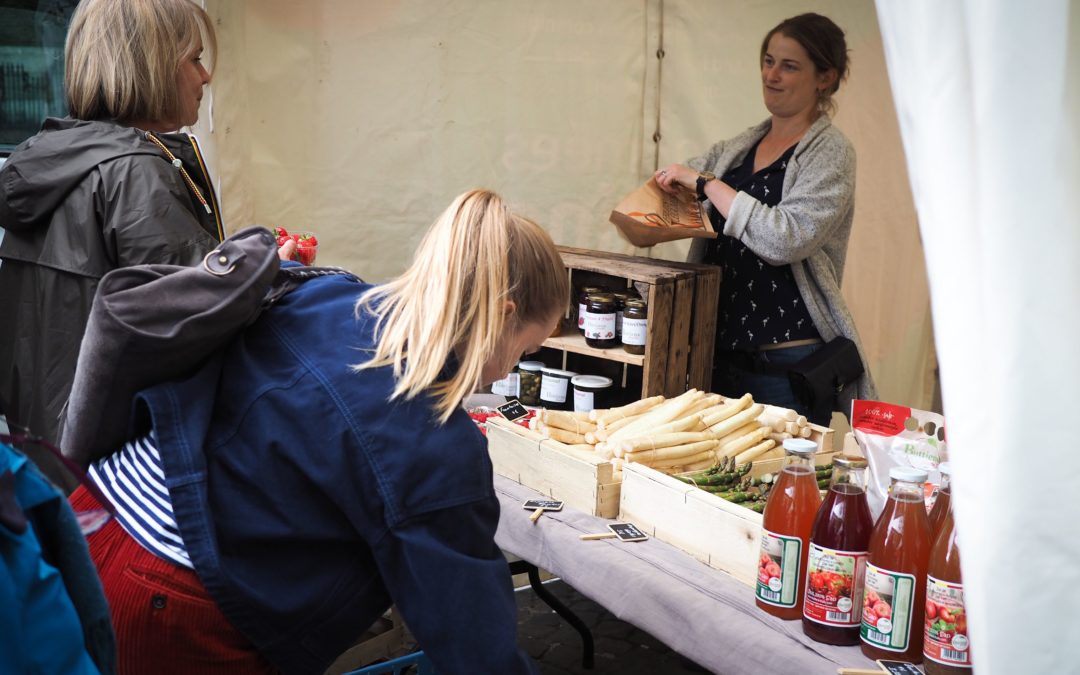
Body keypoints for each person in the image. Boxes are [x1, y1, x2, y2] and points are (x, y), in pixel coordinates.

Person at [68, 189, 564, 674]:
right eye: (524, 349)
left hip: (87, 519)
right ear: (504, 313)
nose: (507, 372)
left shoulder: (327, 290)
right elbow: (469, 634)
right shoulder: (432, 438)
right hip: (170, 589)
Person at [0, 0, 225, 490]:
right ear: (153, 69)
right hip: (124, 473)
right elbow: (198, 325)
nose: (204, 76)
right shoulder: (134, 174)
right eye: (193, 58)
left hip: (47, 462)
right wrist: (263, 271)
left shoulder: (55, 165)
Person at [654, 12, 876, 425]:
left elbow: (785, 239)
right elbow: (668, 200)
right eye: (768, 60)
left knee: (776, 484)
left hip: (786, 364)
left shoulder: (831, 153)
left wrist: (705, 184)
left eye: (789, 66)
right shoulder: (738, 148)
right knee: (710, 481)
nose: (772, 74)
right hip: (716, 351)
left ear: (825, 78)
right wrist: (647, 210)